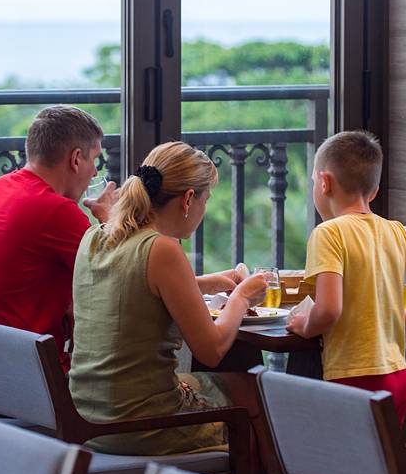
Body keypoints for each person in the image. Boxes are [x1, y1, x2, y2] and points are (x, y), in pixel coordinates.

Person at [286, 130, 406, 474]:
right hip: (397, 375)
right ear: (373, 191)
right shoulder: (397, 232)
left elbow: (329, 310)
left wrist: (304, 324)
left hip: (354, 376)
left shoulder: (329, 234)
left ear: (324, 182)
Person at [69, 141, 268, 456]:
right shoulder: (162, 248)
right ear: (188, 198)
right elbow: (213, 349)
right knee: (257, 389)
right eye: (206, 199)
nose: (204, 209)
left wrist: (203, 283)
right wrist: (242, 297)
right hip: (139, 426)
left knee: (231, 382)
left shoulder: (96, 235)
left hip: (87, 417)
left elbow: (134, 287)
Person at [0, 105, 116, 388]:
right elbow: (124, 278)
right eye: (95, 161)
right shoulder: (56, 211)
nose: (94, 173)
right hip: (23, 390)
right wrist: (109, 219)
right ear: (76, 159)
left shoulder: (1, 187)